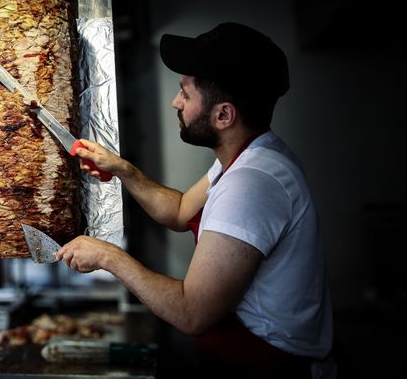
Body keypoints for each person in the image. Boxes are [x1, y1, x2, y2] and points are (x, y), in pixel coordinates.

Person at [56, 22, 334, 379]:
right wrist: (121, 168)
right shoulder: (250, 156)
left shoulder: (251, 184)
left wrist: (108, 256)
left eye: (185, 94)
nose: (176, 102)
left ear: (223, 115)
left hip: (271, 366)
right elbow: (179, 210)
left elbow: (192, 313)